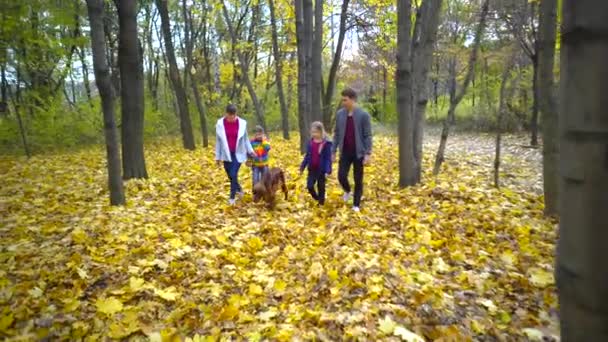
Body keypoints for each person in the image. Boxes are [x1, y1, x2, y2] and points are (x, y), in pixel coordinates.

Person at [331, 88, 373, 212]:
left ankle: (356, 204)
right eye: (342, 100)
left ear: (353, 99)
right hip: (345, 151)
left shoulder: (363, 115)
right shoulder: (340, 114)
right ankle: (348, 191)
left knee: (358, 179)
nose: (343, 102)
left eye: (345, 100)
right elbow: (337, 134)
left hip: (359, 153)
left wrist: (367, 153)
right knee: (341, 176)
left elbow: (367, 135)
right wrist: (333, 151)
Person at [215, 104, 255, 205]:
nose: (232, 119)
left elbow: (245, 139)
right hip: (226, 154)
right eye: (230, 116)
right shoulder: (220, 124)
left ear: (236, 114)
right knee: (230, 175)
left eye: (233, 116)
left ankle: (232, 198)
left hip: (239, 153)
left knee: (233, 174)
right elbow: (218, 142)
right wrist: (218, 157)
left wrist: (250, 151)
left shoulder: (241, 124)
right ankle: (239, 189)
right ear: (226, 114)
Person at [300, 121, 333, 206]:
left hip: (321, 169)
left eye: (316, 132)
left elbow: (328, 158)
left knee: (321, 186)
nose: (314, 134)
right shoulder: (311, 142)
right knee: (310, 186)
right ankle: (317, 198)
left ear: (321, 132)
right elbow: (307, 156)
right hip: (312, 168)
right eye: (313, 132)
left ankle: (321, 202)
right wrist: (302, 167)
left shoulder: (325, 144)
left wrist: (328, 170)